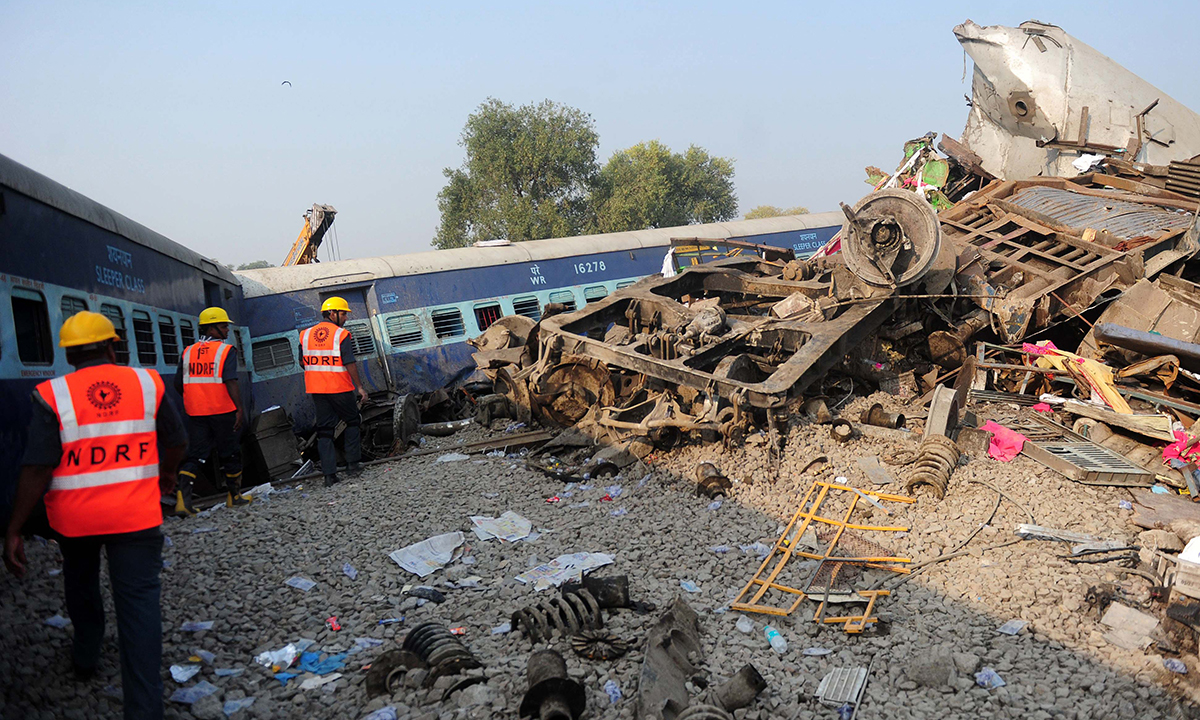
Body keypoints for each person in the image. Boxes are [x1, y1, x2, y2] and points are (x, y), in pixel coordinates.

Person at [3, 311, 187, 720]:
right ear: (112, 345)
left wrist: (14, 529)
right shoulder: (146, 382)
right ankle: (144, 709)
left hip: (75, 522)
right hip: (136, 516)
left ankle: (86, 655)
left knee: (81, 585)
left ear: (68, 355)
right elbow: (176, 440)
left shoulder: (51, 394)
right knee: (139, 604)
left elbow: (36, 467)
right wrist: (167, 474)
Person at [173, 306, 249, 515]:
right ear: (212, 328)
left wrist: (195, 397)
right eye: (224, 326)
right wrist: (239, 409)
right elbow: (230, 381)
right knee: (230, 452)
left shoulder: (188, 352)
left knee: (197, 454)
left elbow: (178, 383)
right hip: (222, 411)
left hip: (196, 413)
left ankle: (183, 502)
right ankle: (235, 497)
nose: (227, 331)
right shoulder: (225, 351)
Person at [299, 296, 369, 487]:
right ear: (332, 313)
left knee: (325, 431)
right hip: (340, 388)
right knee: (353, 421)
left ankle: (329, 476)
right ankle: (353, 465)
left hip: (318, 390)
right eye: (344, 313)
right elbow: (349, 363)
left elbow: (302, 362)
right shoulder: (341, 335)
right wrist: (360, 388)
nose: (346, 318)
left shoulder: (305, 335)